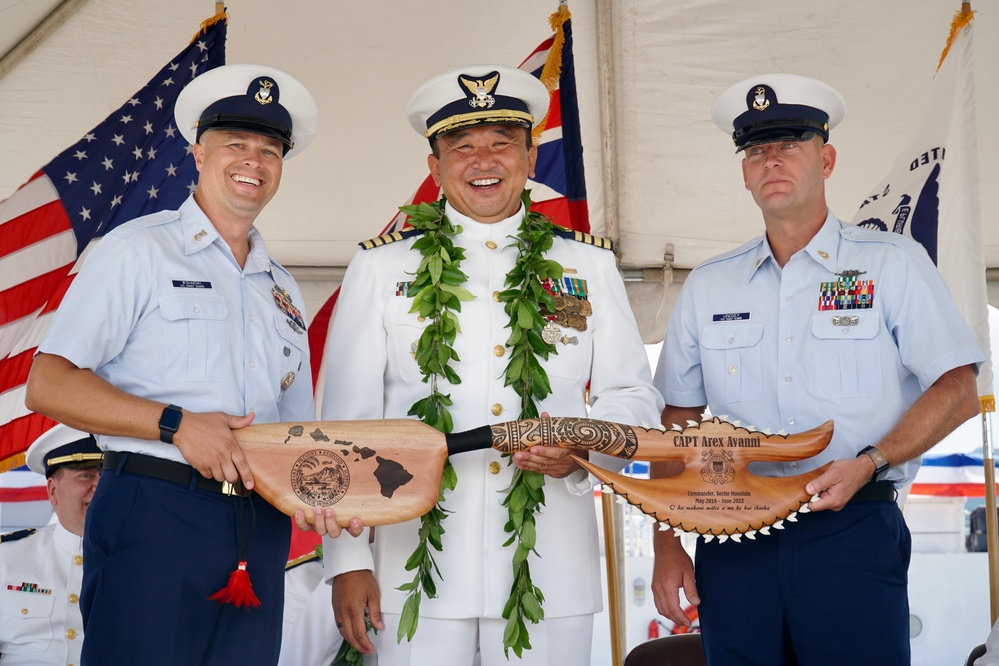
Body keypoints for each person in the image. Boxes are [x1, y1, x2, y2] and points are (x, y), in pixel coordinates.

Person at [319, 64, 664, 665]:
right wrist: (347, 564)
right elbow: (347, 425)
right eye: (463, 145)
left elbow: (632, 395)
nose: (485, 160)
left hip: (552, 567)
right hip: (414, 569)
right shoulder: (380, 270)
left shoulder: (587, 265)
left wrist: (582, 448)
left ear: (530, 158)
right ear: (435, 167)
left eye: (503, 143)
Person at [24, 64, 360, 666]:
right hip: (156, 511)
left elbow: (295, 429)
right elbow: (48, 383)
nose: (252, 161)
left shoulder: (281, 287)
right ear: (198, 154)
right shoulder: (137, 250)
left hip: (257, 526)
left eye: (269, 150)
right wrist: (177, 424)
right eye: (236, 144)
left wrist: (331, 495)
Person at [650, 72, 985, 664]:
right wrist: (665, 542)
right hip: (733, 532)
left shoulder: (892, 264)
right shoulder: (708, 284)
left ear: (826, 159)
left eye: (790, 143)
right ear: (745, 172)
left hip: (852, 529)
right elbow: (678, 417)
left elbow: (958, 388)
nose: (771, 160)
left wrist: (869, 463)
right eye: (755, 150)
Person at [0, 426, 101, 665]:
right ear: (53, 491)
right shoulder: (5, 558)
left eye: (109, 476)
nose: (101, 487)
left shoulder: (148, 563)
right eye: (85, 475)